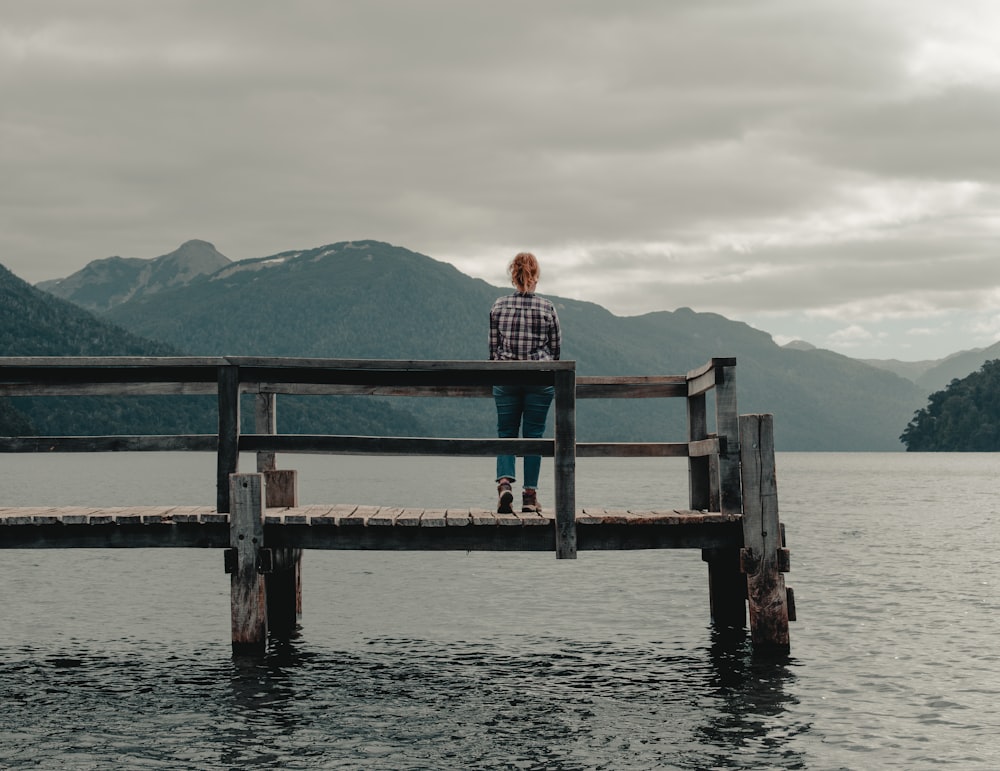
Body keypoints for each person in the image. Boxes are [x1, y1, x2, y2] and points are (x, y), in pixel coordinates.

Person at [489, 252, 562, 514]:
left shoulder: (498, 306)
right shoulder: (547, 308)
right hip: (539, 379)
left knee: (505, 433)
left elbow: (492, 348)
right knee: (534, 437)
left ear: (513, 274)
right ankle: (529, 497)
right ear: (536, 276)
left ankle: (505, 484)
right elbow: (555, 351)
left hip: (506, 377)